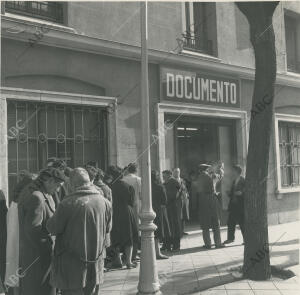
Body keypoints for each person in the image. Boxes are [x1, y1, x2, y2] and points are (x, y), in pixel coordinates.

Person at [46, 168, 112, 295]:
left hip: (71, 266)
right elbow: (108, 228)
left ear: (72, 184)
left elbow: (52, 228)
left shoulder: (67, 203)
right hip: (96, 263)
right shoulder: (105, 203)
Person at [18, 167, 65, 295]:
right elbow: (33, 230)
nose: (58, 189)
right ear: (49, 181)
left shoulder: (41, 193)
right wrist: (50, 247)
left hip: (37, 256)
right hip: (39, 257)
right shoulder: (37, 197)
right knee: (41, 290)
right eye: (58, 185)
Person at [5, 171, 37, 291]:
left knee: (15, 269)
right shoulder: (25, 203)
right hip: (24, 247)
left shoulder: (14, 204)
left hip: (15, 247)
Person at [109, 166, 138, 268]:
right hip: (127, 211)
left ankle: (118, 260)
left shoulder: (110, 186)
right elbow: (132, 202)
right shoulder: (128, 186)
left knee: (116, 236)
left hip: (114, 212)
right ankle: (129, 261)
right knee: (128, 236)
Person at [196, 164, 224, 249]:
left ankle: (207, 244)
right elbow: (213, 188)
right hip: (211, 200)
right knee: (215, 222)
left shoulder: (199, 177)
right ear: (206, 169)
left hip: (202, 201)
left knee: (205, 224)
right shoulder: (209, 177)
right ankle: (218, 243)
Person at [122, 163, 141, 260]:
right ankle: (134, 253)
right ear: (136, 170)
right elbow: (141, 194)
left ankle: (126, 254)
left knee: (127, 229)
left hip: (125, 206)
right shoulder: (138, 179)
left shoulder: (123, 179)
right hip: (136, 206)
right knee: (136, 229)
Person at [223, 165, 245, 244]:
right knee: (230, 222)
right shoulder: (234, 180)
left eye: (234, 171)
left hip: (240, 206)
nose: (232, 172)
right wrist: (229, 193)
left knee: (242, 223)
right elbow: (233, 193)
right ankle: (230, 238)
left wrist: (242, 193)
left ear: (237, 172)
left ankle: (246, 240)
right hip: (233, 206)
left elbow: (246, 191)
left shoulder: (243, 180)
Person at [151, 170, 170, 259]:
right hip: (158, 211)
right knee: (157, 233)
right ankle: (157, 253)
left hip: (147, 210)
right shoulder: (160, 187)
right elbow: (165, 201)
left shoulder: (145, 187)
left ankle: (151, 252)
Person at [162, 170, 182, 252]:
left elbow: (175, 194)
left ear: (169, 175)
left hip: (173, 207)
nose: (163, 177)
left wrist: (165, 200)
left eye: (164, 175)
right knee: (168, 226)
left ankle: (176, 246)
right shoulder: (166, 183)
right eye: (163, 175)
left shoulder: (174, 182)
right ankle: (167, 244)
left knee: (174, 226)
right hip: (168, 207)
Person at [173, 168, 190, 236]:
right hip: (177, 201)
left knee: (183, 216)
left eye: (178, 172)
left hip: (184, 199)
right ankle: (178, 231)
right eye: (175, 172)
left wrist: (187, 195)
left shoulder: (182, 180)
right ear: (173, 173)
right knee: (178, 216)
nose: (177, 173)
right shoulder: (173, 181)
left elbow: (185, 189)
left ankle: (182, 230)